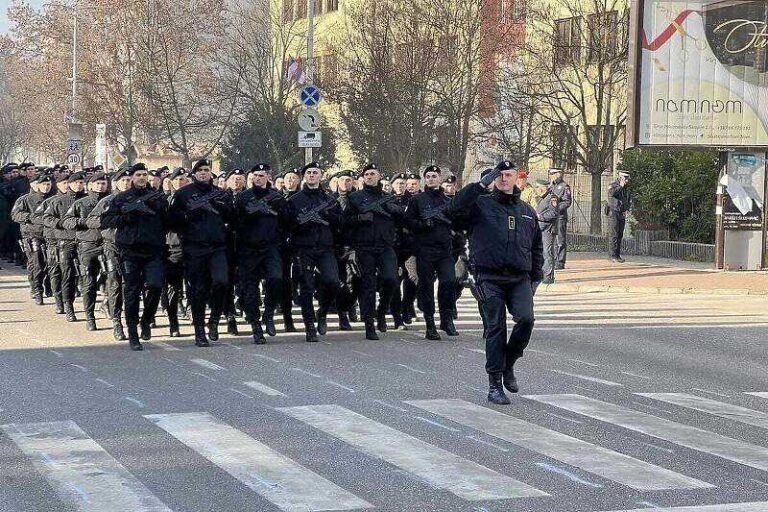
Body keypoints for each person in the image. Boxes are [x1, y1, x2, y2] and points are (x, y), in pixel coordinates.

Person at [450, 160, 544, 405]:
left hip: (518, 277)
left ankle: (509, 363)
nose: (504, 179)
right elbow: (454, 209)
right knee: (496, 327)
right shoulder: (480, 204)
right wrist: (480, 185)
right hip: (488, 276)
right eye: (499, 175)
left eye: (508, 175)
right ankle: (494, 384)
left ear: (516, 179)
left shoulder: (526, 209)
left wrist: (536, 276)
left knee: (526, 319)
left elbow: (536, 246)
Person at [100, 163, 169, 351]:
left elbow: (168, 221)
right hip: (129, 251)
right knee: (131, 291)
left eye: (144, 174)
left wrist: (162, 208)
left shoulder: (158, 196)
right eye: (138, 174)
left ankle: (146, 320)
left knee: (155, 286)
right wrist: (128, 215)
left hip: (154, 250)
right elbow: (105, 221)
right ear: (131, 177)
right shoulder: (121, 199)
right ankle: (132, 332)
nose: (141, 177)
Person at [168, 159, 234, 347]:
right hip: (194, 247)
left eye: (206, 170)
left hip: (217, 246)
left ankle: (213, 319)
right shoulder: (183, 194)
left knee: (221, 282)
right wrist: (187, 216)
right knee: (198, 290)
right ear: (194, 174)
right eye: (200, 170)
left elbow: (232, 217)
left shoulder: (220, 193)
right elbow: (172, 221)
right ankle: (199, 330)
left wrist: (221, 207)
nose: (204, 173)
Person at [283, 162, 343, 342]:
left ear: (320, 176)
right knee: (306, 287)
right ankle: (309, 325)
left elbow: (340, 223)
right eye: (308, 172)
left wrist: (326, 217)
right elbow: (286, 225)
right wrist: (300, 223)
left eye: (315, 172)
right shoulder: (294, 200)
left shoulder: (330, 200)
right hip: (303, 247)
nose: (311, 175)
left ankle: (322, 312)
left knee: (333, 282)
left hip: (325, 247)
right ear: (304, 176)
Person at [344, 163, 403, 340]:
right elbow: (345, 221)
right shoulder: (355, 198)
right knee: (368, 285)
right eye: (367, 174)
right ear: (363, 178)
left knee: (391, 279)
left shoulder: (389, 198)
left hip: (385, 246)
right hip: (365, 247)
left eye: (373, 174)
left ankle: (382, 311)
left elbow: (402, 221)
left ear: (379, 176)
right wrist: (359, 218)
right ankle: (369, 323)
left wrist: (395, 211)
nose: (370, 177)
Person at [404, 165, 458, 340]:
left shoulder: (447, 200)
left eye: (434, 176)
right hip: (425, 249)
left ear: (440, 178)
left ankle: (446, 318)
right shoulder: (418, 200)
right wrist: (422, 225)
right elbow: (408, 221)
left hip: (444, 249)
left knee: (449, 281)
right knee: (426, 286)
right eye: (427, 176)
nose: (430, 179)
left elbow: (457, 221)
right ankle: (430, 324)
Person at [233, 163, 285, 343]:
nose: (258, 178)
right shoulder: (243, 198)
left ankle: (269, 313)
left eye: (262, 175)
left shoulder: (277, 197)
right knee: (250, 289)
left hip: (271, 246)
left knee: (276, 279)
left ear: (268, 177)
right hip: (249, 249)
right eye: (256, 175)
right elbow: (235, 223)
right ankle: (256, 325)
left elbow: (286, 221)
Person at [62, 172, 109, 330]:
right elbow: (67, 221)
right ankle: (90, 316)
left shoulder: (111, 201)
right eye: (97, 184)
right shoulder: (81, 203)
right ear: (90, 186)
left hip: (108, 245)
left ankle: (108, 305)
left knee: (113, 279)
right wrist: (85, 222)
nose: (100, 186)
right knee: (88, 283)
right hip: (87, 246)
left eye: (103, 184)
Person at [42, 171, 86, 322]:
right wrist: (60, 223)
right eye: (75, 183)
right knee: (66, 274)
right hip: (64, 241)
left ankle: (90, 306)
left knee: (86, 275)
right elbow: (46, 218)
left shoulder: (87, 200)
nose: (78, 185)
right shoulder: (57, 201)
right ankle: (67, 305)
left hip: (85, 242)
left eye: (81, 182)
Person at [12, 173, 52, 305]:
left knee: (50, 263)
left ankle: (48, 284)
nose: (46, 187)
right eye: (43, 184)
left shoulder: (52, 199)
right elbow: (15, 215)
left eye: (48, 184)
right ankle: (37, 289)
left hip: (50, 236)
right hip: (32, 235)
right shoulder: (24, 199)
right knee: (37, 264)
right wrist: (31, 218)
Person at [333, 170, 359, 331]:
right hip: (335, 246)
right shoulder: (330, 200)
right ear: (337, 182)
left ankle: (349, 305)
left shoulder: (358, 200)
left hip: (354, 245)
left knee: (355, 279)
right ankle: (342, 314)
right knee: (339, 281)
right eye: (343, 180)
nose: (345, 183)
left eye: (349, 180)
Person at [534, 179, 559, 285]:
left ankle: (548, 276)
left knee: (547, 252)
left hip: (548, 229)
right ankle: (543, 273)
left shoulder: (552, 198)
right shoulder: (542, 198)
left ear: (543, 188)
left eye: (538, 188)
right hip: (541, 228)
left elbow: (553, 213)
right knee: (542, 252)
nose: (537, 190)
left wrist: (540, 217)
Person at [548, 167, 572, 269]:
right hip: (550, 217)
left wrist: (556, 208)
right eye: (551, 174)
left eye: (554, 174)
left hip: (560, 217)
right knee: (550, 239)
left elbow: (567, 202)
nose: (552, 176)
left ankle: (560, 262)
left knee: (560, 240)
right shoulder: (549, 186)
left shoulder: (564, 186)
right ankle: (551, 260)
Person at [608, 170, 632, 263]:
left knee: (619, 235)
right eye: (625, 178)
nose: (627, 180)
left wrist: (627, 209)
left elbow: (628, 199)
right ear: (621, 177)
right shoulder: (613, 185)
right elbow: (612, 193)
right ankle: (612, 255)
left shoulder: (626, 188)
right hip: (613, 212)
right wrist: (620, 187)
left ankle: (617, 255)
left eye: (627, 178)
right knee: (613, 234)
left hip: (621, 212)